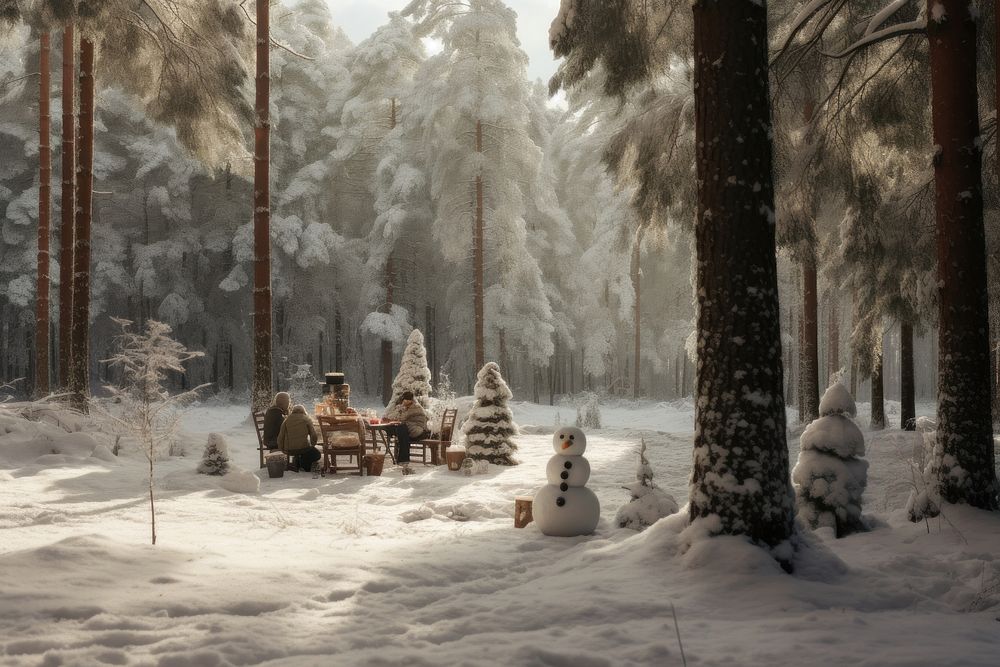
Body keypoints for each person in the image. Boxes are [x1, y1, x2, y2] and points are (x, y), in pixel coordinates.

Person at [382, 391, 428, 464]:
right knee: (399, 429)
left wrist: (390, 420)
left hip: (417, 431)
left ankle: (403, 459)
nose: (403, 401)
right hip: (411, 429)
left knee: (400, 428)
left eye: (405, 400)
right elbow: (400, 419)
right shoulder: (409, 407)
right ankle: (403, 459)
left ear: (409, 400)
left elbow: (401, 419)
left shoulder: (415, 407)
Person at [277, 404, 322, 472]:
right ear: (303, 411)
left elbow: (281, 436)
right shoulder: (306, 419)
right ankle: (304, 464)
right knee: (317, 454)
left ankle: (298, 460)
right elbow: (313, 435)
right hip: (303, 448)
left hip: (289, 449)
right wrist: (313, 444)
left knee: (302, 450)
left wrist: (282, 448)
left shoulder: (286, 420)